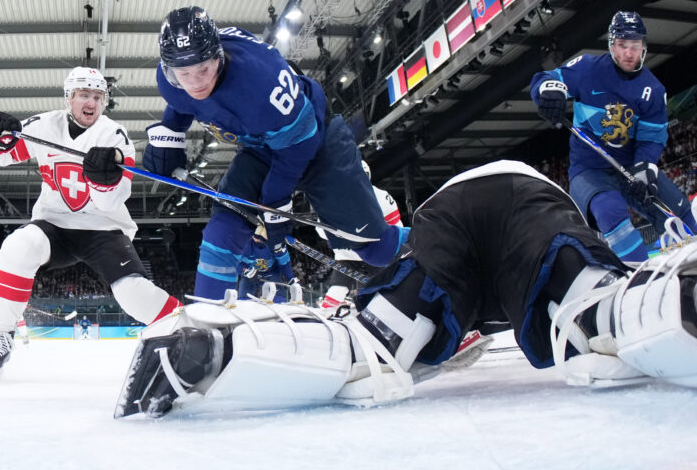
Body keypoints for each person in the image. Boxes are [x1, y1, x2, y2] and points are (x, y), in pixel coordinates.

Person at [115, 160, 697, 418]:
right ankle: (678, 298)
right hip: (526, 194)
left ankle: (210, 348)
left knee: (373, 347)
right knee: (597, 316)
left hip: (458, 204)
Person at [142, 6, 409, 300]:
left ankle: (451, 246)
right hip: (262, 146)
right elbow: (182, 103)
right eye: (183, 73)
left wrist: (277, 203)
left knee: (377, 249)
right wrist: (170, 135)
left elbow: (300, 146)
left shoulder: (259, 84)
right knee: (223, 229)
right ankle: (206, 324)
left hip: (317, 141)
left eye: (203, 69)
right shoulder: (171, 79)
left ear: (218, 56)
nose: (195, 82)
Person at [0, 66, 184, 374]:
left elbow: (111, 200)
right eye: (84, 95)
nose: (92, 102)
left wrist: (103, 179)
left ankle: (187, 328)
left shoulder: (114, 135)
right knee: (17, 246)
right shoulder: (44, 125)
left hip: (103, 228)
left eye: (98, 96)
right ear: (68, 98)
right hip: (54, 225)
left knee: (133, 293)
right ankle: (2, 334)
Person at [530, 11, 697, 263]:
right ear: (611, 45)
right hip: (589, 170)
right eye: (622, 45)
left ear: (643, 47)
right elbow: (548, 78)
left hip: (630, 165)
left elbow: (651, 137)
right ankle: (637, 280)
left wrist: (644, 169)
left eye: (635, 45)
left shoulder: (653, 91)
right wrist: (547, 91)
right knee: (610, 212)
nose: (629, 53)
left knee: (680, 210)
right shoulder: (587, 68)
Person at [316, 160, 404, 309]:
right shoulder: (380, 195)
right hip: (377, 253)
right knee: (387, 288)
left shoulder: (332, 199)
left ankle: (328, 311)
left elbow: (321, 231)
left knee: (338, 288)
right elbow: (396, 225)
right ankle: (384, 310)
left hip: (347, 253)